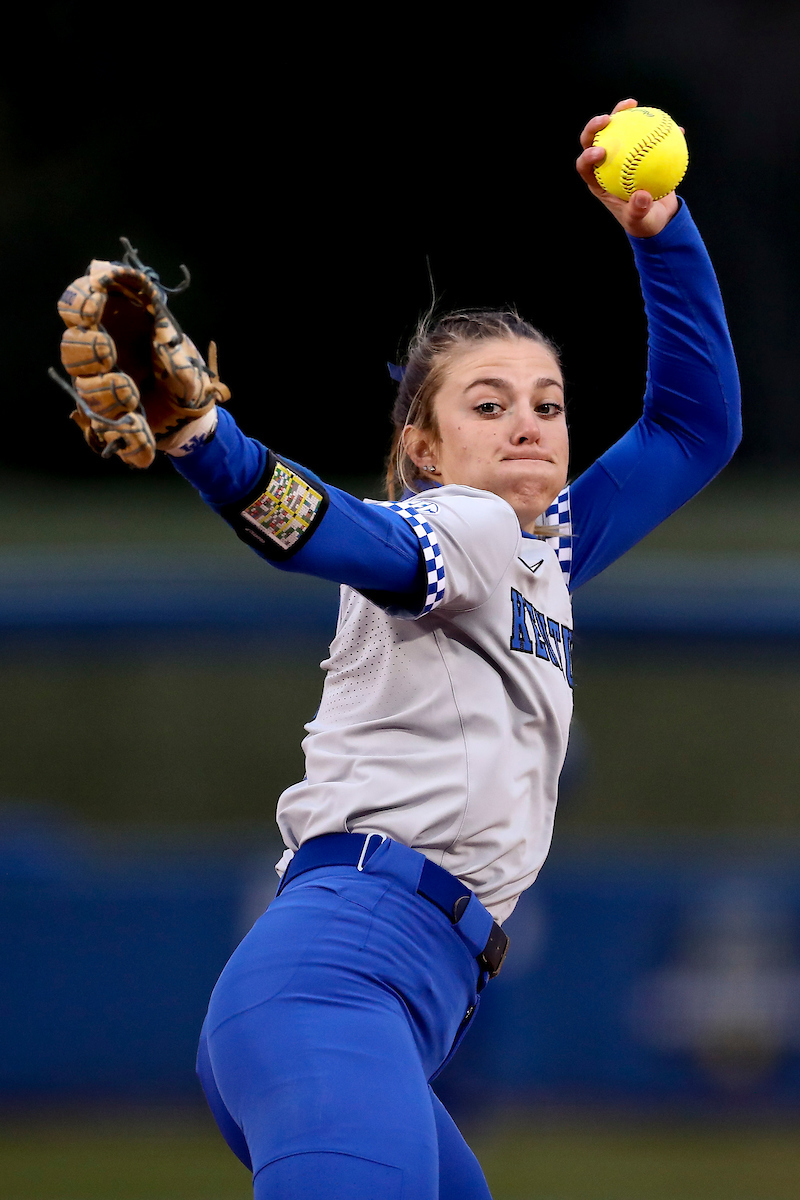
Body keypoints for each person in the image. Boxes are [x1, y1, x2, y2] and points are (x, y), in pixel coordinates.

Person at [165, 100, 741, 1198]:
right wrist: (215, 450)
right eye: (488, 405)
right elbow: (342, 534)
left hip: (383, 1003)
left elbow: (689, 429)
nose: (528, 423)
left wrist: (660, 233)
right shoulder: (459, 525)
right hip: (338, 979)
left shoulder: (540, 553)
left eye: (547, 403)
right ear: (423, 448)